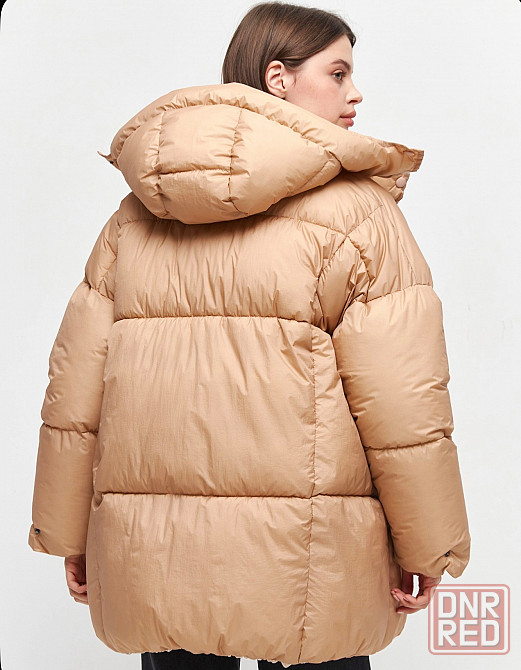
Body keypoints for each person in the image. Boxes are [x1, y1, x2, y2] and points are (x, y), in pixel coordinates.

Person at [28, 2, 471, 669]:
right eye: (338, 73)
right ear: (278, 77)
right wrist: (428, 544)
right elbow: (403, 405)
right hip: (310, 558)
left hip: (157, 556)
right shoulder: (359, 215)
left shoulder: (137, 216)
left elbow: (75, 393)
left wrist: (69, 533)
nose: (355, 93)